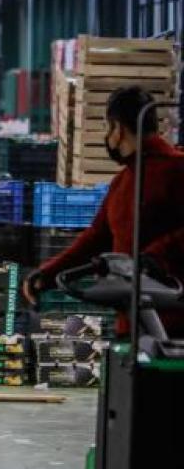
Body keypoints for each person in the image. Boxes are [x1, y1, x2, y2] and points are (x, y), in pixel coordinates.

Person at [24, 85, 184, 337]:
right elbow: (97, 237)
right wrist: (49, 273)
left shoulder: (175, 170)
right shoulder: (123, 181)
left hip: (172, 327)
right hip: (132, 322)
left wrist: (155, 258)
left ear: (118, 129)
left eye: (106, 127)